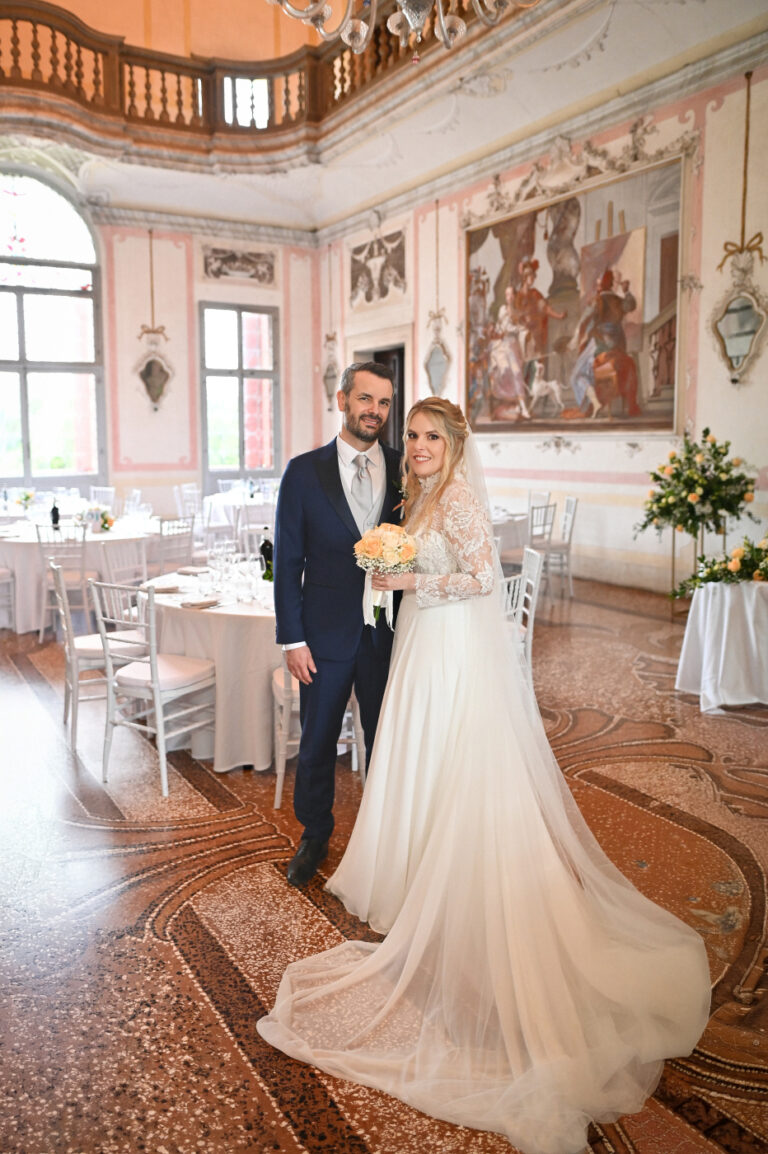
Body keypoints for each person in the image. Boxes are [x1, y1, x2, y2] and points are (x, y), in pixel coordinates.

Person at [259, 398, 711, 1154]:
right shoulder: (419, 495)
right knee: (415, 755)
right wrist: (394, 574)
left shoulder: (460, 498)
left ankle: (448, 876)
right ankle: (410, 871)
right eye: (413, 434)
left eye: (431, 436)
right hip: (419, 646)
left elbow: (481, 578)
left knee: (448, 757)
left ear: (455, 444)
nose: (418, 445)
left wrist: (408, 581)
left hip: (451, 650)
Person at [273, 361, 403, 888]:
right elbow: (288, 562)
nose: (375, 411)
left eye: (384, 402)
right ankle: (315, 834)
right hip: (323, 635)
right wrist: (293, 638)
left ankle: (387, 833)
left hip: (387, 634)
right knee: (318, 740)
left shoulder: (406, 469)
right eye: (366, 399)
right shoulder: (304, 472)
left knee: (388, 737)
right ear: (343, 399)